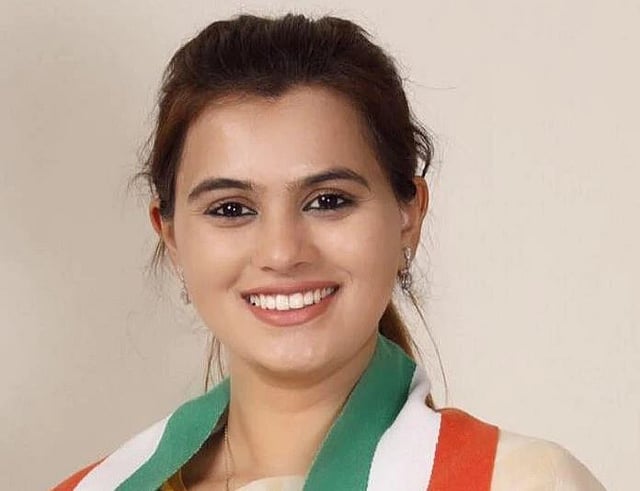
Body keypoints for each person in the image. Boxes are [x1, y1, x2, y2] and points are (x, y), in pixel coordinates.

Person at [53, 13, 605, 491]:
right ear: (171, 236)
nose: (282, 252)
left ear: (408, 215)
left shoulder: (524, 481)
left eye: (328, 200)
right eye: (231, 208)